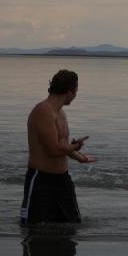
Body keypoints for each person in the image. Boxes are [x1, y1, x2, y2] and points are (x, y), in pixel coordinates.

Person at [20, 69, 96, 225]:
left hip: (62, 179)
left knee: (73, 224)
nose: (76, 95)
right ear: (70, 91)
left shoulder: (61, 113)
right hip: (41, 179)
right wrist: (75, 147)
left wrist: (79, 158)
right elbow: (53, 150)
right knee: (35, 227)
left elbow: (62, 145)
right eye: (76, 91)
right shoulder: (43, 111)